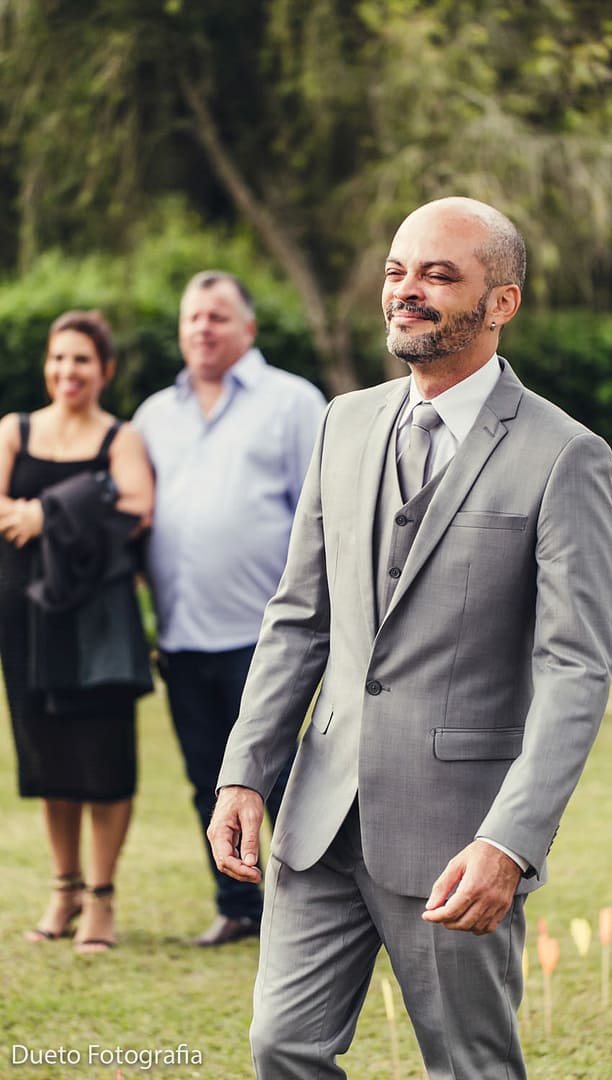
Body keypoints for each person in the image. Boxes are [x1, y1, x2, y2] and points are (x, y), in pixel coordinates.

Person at [208, 197, 612, 1077]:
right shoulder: (344, 421)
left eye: (439, 274)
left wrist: (510, 840)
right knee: (281, 1046)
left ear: (501, 302)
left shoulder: (565, 455)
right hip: (319, 818)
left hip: (457, 835)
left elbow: (574, 669)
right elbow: (299, 619)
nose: (408, 290)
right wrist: (246, 771)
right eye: (398, 271)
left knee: (470, 1065)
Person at [134, 271, 326, 946]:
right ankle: (239, 906)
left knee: (285, 782)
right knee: (206, 780)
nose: (202, 329)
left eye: (217, 317)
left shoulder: (293, 402)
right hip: (182, 634)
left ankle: (315, 913)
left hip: (267, 636)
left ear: (248, 328)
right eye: (192, 317)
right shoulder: (154, 414)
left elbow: (320, 514)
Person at [0, 309, 154, 954]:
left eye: (82, 359)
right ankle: (63, 890)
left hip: (98, 624)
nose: (68, 370)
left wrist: (47, 514)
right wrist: (59, 508)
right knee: (47, 758)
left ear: (105, 370)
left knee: (104, 757)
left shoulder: (120, 437)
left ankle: (101, 898)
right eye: (59, 357)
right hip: (25, 620)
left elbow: (138, 507)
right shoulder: (15, 430)